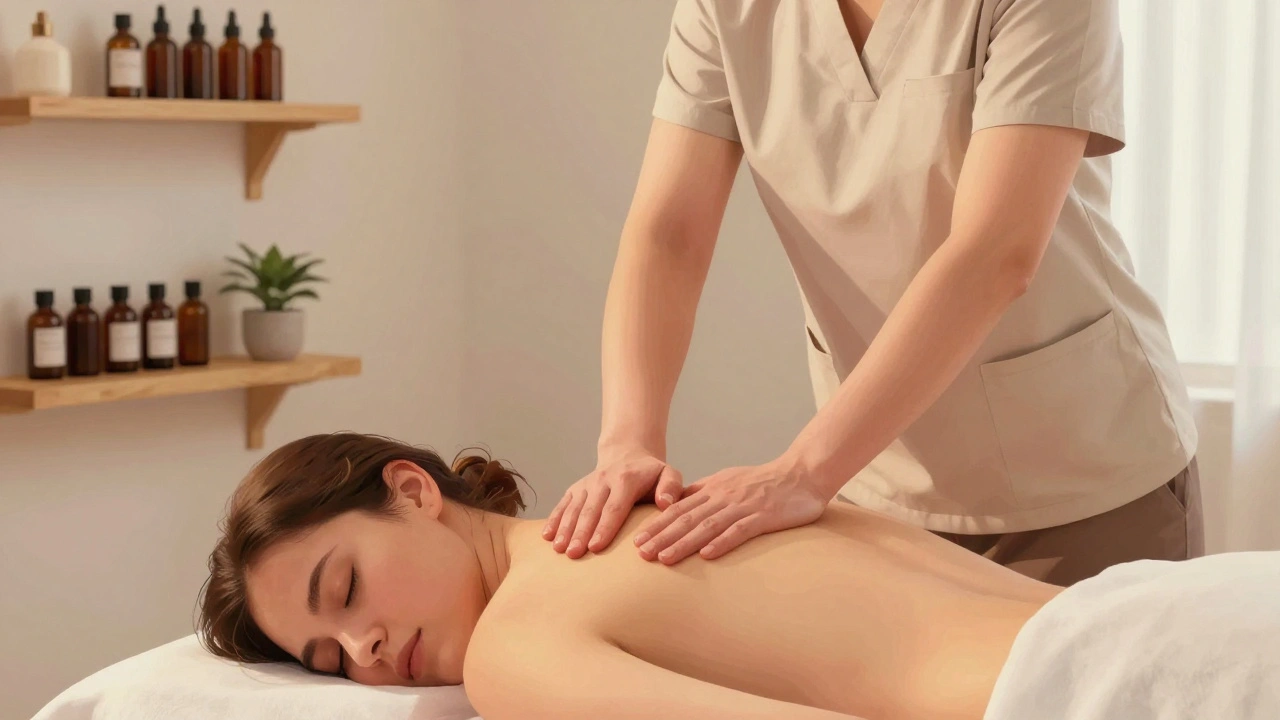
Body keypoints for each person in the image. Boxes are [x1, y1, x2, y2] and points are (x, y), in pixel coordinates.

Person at [543, 0, 1203, 586]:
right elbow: (670, 234)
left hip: (1082, 478)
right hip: (874, 482)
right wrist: (628, 441)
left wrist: (803, 471)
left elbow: (995, 251)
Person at [199, 433, 1277, 720]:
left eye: (345, 592)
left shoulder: (516, 649)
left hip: (1113, 693)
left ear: (412, 490)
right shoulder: (702, 496)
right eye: (328, 660)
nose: (365, 650)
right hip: (1195, 614)